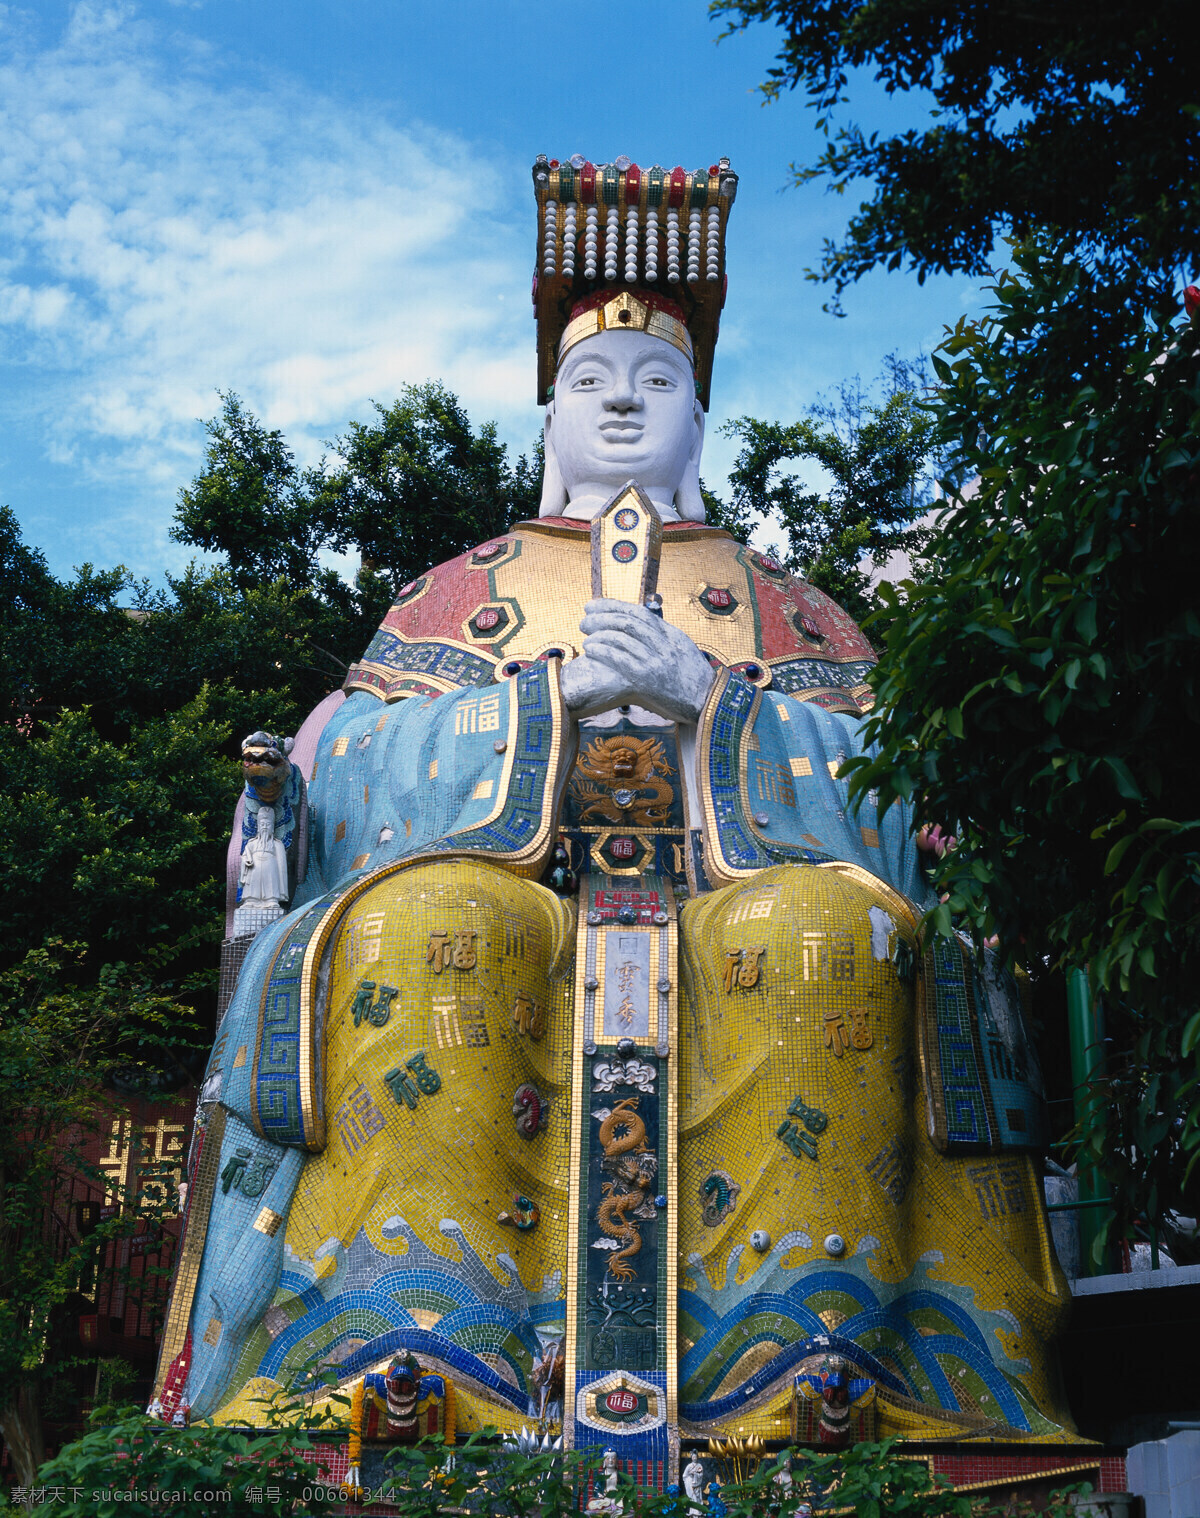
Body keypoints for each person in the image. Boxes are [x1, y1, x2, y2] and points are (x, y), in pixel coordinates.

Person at [153, 156, 1073, 1466]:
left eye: (660, 381)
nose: (628, 404)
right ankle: (408, 1345)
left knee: (824, 934)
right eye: (596, 382)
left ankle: (813, 1353)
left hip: (731, 899)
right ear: (550, 414)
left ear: (702, 413)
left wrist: (715, 702)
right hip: (524, 895)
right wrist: (547, 706)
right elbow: (340, 764)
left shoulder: (787, 607)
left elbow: (904, 791)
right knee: (428, 925)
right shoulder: (459, 594)